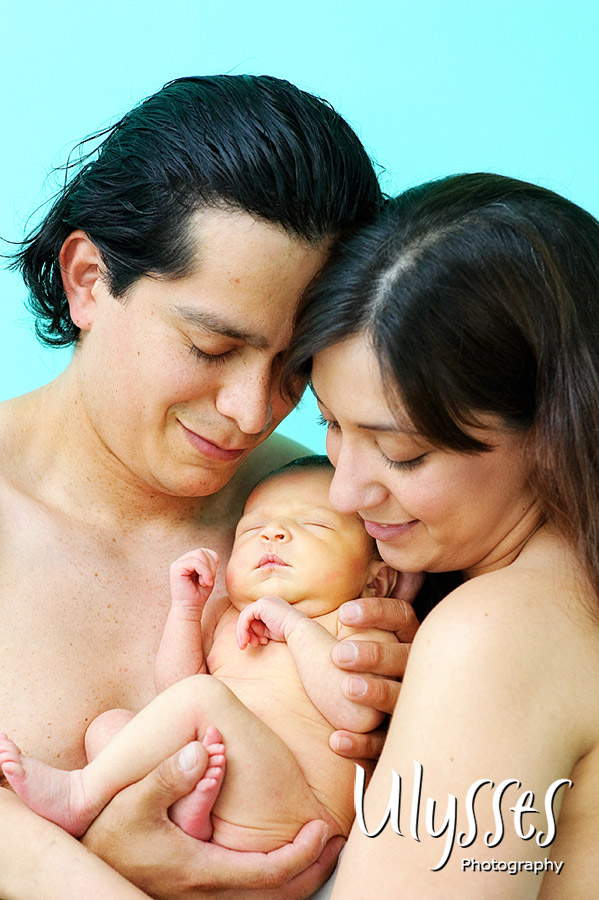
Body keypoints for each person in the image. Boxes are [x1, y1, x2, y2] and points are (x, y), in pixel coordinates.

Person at [0, 75, 422, 900]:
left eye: (294, 368)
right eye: (211, 347)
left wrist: (418, 690)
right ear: (87, 279)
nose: (251, 412)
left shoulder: (338, 511)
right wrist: (86, 872)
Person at [283, 172, 599, 898]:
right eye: (329, 424)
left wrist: (38, 860)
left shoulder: (496, 634)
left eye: (402, 453)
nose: (343, 492)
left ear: (554, 429)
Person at [1, 456, 399, 854]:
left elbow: (358, 714)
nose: (273, 534)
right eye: (252, 529)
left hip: (298, 808)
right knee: (108, 727)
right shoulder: (228, 616)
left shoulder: (356, 621)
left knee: (202, 696)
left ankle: (81, 794)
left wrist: (295, 628)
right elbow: (174, 692)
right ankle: (180, 814)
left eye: (314, 525)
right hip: (220, 784)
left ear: (376, 581)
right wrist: (187, 610)